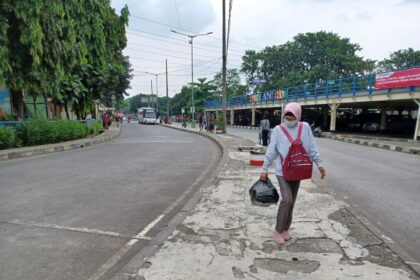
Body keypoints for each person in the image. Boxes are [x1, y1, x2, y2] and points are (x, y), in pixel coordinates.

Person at [259, 102, 326, 245]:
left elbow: (312, 148)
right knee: (287, 199)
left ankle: (285, 230)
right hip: (282, 171)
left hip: (298, 170)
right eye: (287, 117)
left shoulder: (305, 128)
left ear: (298, 116)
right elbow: (271, 151)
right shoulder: (278, 130)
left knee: (292, 202)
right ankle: (278, 230)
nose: (289, 120)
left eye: (292, 117)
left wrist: (320, 164)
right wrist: (264, 169)